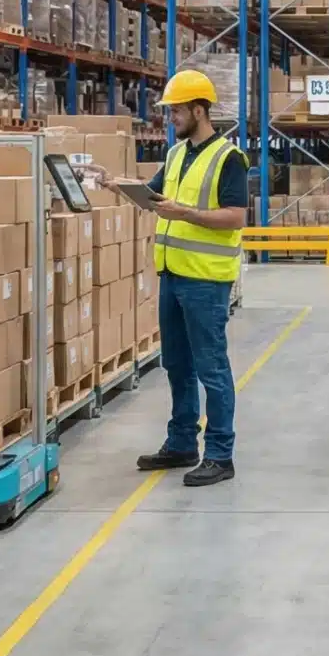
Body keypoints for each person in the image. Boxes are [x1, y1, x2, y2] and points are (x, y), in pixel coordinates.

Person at [130, 70, 250, 487]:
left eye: (176, 110)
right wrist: (117, 185)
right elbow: (155, 197)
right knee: (176, 364)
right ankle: (182, 442)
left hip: (206, 281)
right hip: (172, 275)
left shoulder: (229, 158)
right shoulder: (176, 154)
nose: (171, 118)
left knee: (211, 368)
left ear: (199, 109)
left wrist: (187, 214)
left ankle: (220, 453)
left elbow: (236, 217)